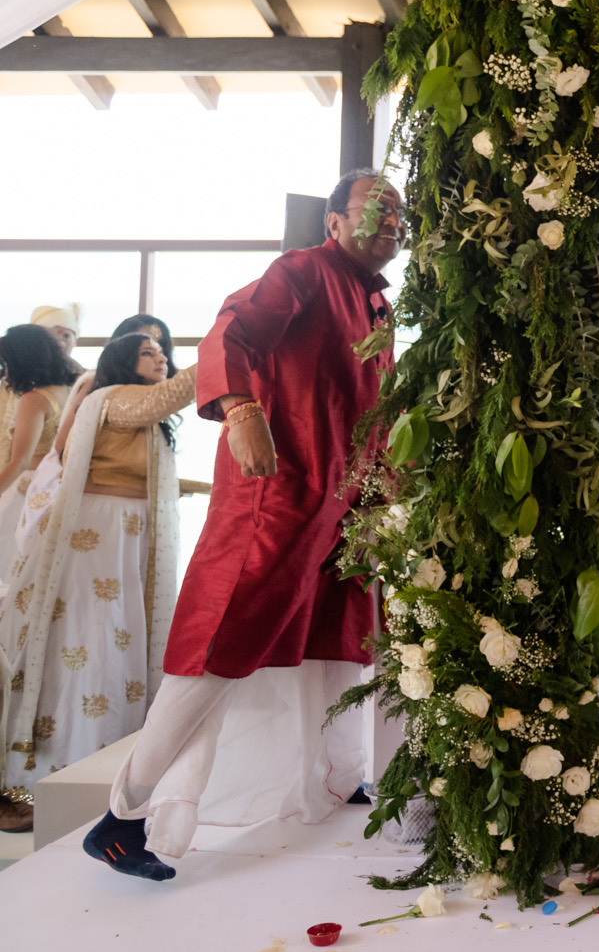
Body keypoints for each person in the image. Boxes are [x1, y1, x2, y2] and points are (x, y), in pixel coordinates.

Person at [82, 169, 402, 881]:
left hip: (341, 503)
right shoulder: (302, 271)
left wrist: (386, 473)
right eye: (377, 210)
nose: (392, 224)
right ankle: (125, 814)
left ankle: (337, 775)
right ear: (335, 221)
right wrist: (241, 410)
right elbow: (233, 329)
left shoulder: (378, 302)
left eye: (400, 215)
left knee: (339, 637)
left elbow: (374, 406)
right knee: (218, 647)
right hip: (276, 492)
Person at [0, 333, 191, 832]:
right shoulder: (113, 398)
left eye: (161, 352)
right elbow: (169, 396)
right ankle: (59, 768)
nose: (161, 358)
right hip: (95, 534)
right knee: (87, 642)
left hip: (127, 536)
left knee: (118, 643)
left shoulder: (138, 413)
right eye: (149, 352)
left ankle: (113, 772)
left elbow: (158, 476)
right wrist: (229, 350)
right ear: (123, 362)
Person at [0, 324, 82, 580]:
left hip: (30, 486)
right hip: (62, 484)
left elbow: (21, 459)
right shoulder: (74, 389)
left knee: (11, 570)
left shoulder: (35, 399)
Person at [30, 304, 84, 375]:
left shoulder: (87, 378)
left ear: (75, 341)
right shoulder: (19, 374)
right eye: (51, 337)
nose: (60, 343)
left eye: (66, 336)